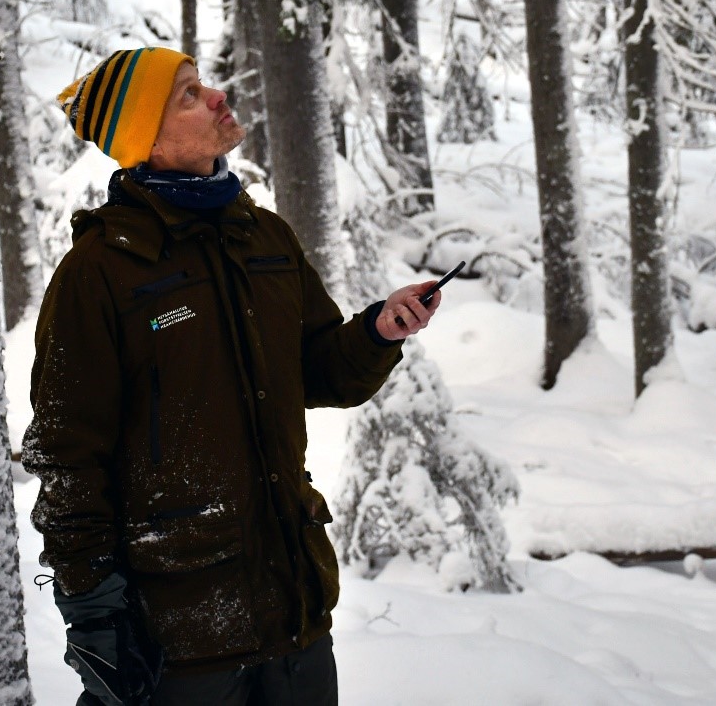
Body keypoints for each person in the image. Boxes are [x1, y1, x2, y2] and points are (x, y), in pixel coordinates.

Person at [22, 46, 442, 706]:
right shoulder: (100, 272)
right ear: (147, 140)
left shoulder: (265, 238)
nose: (217, 96)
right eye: (187, 95)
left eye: (202, 85)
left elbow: (317, 370)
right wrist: (96, 615)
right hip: (179, 635)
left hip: (294, 612)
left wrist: (375, 332)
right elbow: (68, 458)